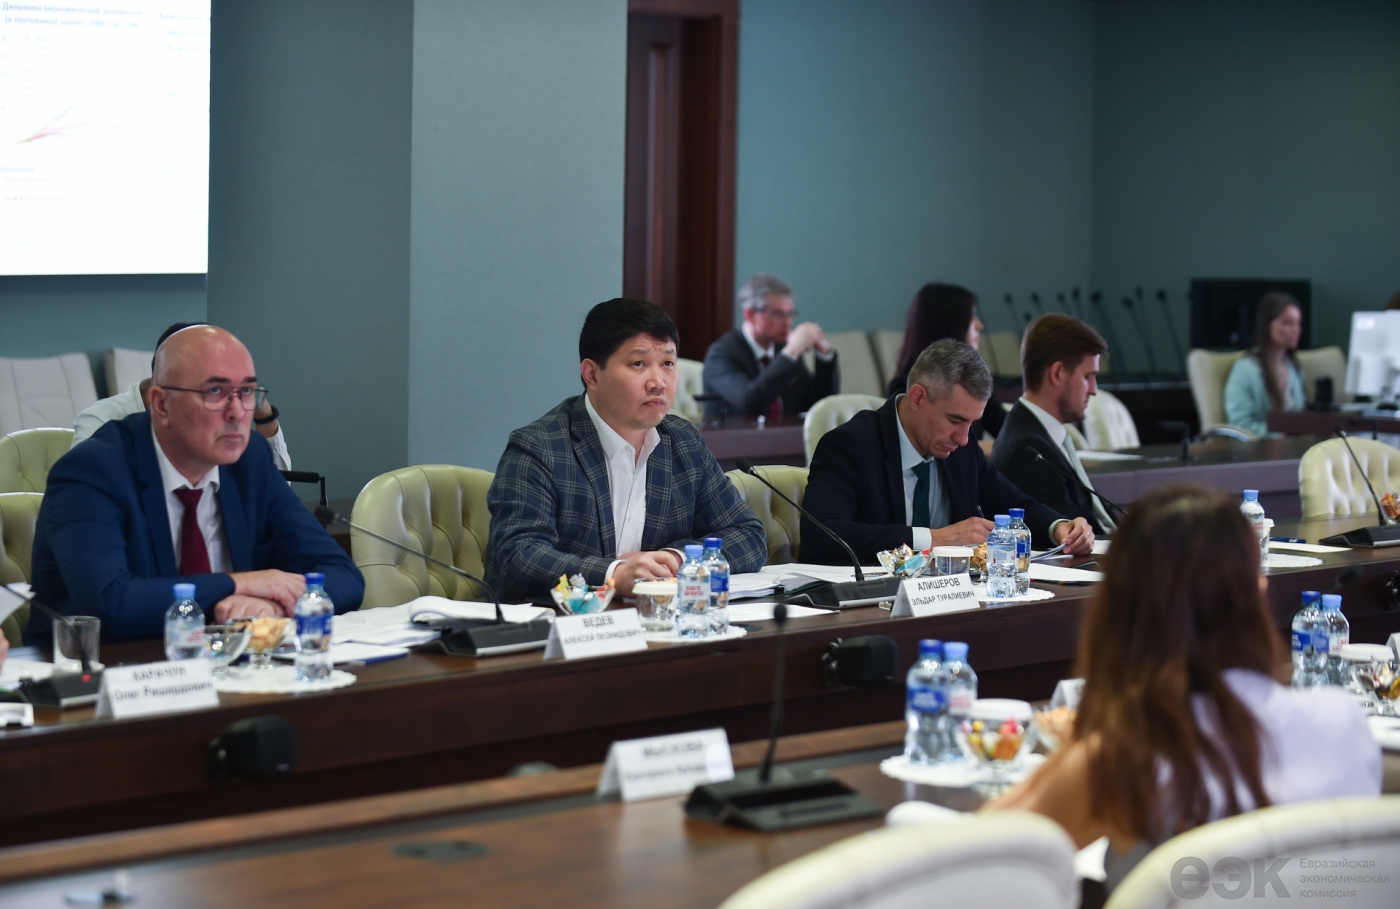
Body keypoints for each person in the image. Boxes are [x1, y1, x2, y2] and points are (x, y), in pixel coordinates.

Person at [985, 484, 1380, 891]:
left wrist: (1086, 740)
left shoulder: (1126, 757)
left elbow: (982, 856)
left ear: (1115, 609)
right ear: (1258, 594)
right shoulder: (1344, 723)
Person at [30, 326, 362, 644]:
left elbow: (343, 575)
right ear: (161, 404)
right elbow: (112, 603)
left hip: (230, 662)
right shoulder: (91, 472)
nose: (236, 412)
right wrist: (240, 584)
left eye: (247, 391)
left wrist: (270, 606)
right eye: (215, 392)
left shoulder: (250, 461)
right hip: (107, 669)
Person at [486, 298, 766, 602]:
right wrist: (614, 574)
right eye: (638, 364)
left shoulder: (682, 442)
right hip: (559, 625)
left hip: (655, 620)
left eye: (668, 364)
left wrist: (676, 559)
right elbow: (518, 556)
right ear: (592, 374)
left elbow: (748, 535)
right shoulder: (540, 448)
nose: (658, 383)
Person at [802, 338, 1093, 565]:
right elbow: (822, 537)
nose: (964, 439)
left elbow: (1013, 502)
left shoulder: (960, 451)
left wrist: (1060, 527)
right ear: (918, 397)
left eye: (972, 423)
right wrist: (934, 538)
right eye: (955, 420)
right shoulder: (850, 446)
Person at [74, 322, 293, 471]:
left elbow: (277, 491)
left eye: (243, 389)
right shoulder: (101, 427)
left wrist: (264, 417)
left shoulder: (234, 442)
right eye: (213, 390)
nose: (234, 411)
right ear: (160, 399)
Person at [992, 314, 1116, 535]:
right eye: (1088, 377)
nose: (1094, 390)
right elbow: (1074, 540)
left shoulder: (1041, 434)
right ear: (1057, 373)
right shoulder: (1028, 451)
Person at [702, 274, 839, 420]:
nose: (787, 322)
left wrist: (824, 354)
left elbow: (818, 404)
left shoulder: (784, 349)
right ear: (750, 314)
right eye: (778, 314)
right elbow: (751, 402)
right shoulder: (721, 354)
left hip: (787, 433)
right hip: (735, 434)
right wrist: (792, 351)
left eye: (790, 314)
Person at [886, 282, 1004, 439]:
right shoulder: (905, 386)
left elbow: (1007, 430)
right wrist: (1000, 448)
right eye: (971, 317)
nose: (979, 325)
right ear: (951, 324)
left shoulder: (973, 382)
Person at [1223, 293, 1305, 437]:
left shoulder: (1292, 366)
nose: (1296, 329)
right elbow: (1240, 424)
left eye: (1298, 323)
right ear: (1267, 325)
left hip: (1294, 445)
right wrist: (1281, 434)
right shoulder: (1245, 369)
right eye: (1288, 323)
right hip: (1261, 447)